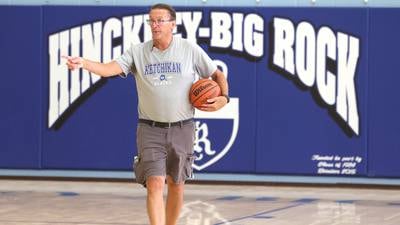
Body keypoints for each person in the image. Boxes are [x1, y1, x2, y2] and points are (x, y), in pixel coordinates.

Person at [64, 3, 229, 225]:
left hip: (183, 128)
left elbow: (217, 75)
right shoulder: (138, 52)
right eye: (151, 20)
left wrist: (224, 98)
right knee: (155, 183)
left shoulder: (189, 49)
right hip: (150, 129)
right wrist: (84, 63)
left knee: (176, 184)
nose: (155, 25)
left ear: (173, 24)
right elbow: (109, 68)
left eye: (160, 20)